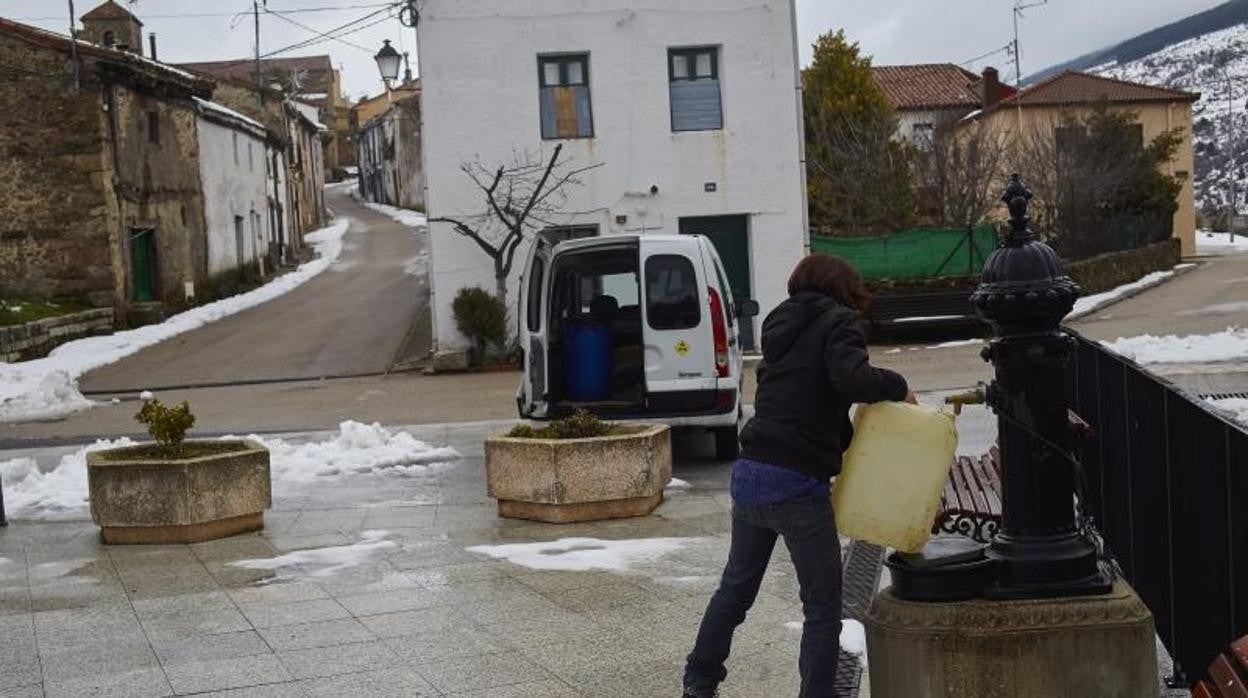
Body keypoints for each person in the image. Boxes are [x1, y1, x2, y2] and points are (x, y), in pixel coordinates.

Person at [683, 254, 915, 698]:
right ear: (842, 289)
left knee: (733, 593)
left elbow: (797, 390)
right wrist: (898, 385)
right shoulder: (838, 322)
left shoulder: (780, 326)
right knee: (823, 605)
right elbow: (854, 379)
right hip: (795, 481)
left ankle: (698, 683)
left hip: (751, 473)